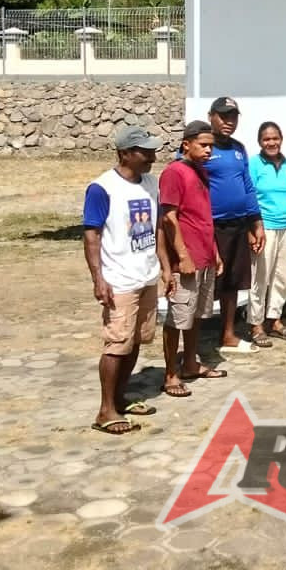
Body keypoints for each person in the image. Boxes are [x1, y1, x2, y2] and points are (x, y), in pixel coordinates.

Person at [83, 126, 170, 435]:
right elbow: (91, 235)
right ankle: (105, 410)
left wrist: (165, 267)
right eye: (144, 152)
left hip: (145, 275)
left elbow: (158, 228)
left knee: (135, 340)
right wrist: (98, 278)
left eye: (152, 151)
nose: (151, 157)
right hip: (119, 279)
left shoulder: (151, 184)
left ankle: (120, 397)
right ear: (124, 153)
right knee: (117, 343)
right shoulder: (101, 188)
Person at [159, 120, 228, 397]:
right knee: (177, 317)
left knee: (197, 314)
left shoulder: (201, 172)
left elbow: (203, 216)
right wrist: (182, 256)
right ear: (186, 144)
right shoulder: (174, 173)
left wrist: (215, 252)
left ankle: (190, 362)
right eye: (204, 145)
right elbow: (169, 217)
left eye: (211, 145)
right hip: (185, 260)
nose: (209, 150)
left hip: (205, 256)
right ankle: (171, 374)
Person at [204, 96, 265, 353]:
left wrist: (256, 222)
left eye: (233, 117)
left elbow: (247, 186)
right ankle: (193, 339)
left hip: (238, 226)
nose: (228, 122)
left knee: (231, 282)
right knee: (206, 284)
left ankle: (228, 334)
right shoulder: (202, 146)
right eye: (223, 116)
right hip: (210, 227)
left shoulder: (239, 149)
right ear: (211, 117)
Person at [247, 121, 286, 346]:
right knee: (260, 278)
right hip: (265, 229)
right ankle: (256, 324)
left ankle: (274, 320)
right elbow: (249, 197)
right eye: (266, 139)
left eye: (275, 138)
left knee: (281, 277)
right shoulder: (254, 164)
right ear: (260, 142)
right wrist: (253, 228)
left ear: (281, 139)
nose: (271, 142)